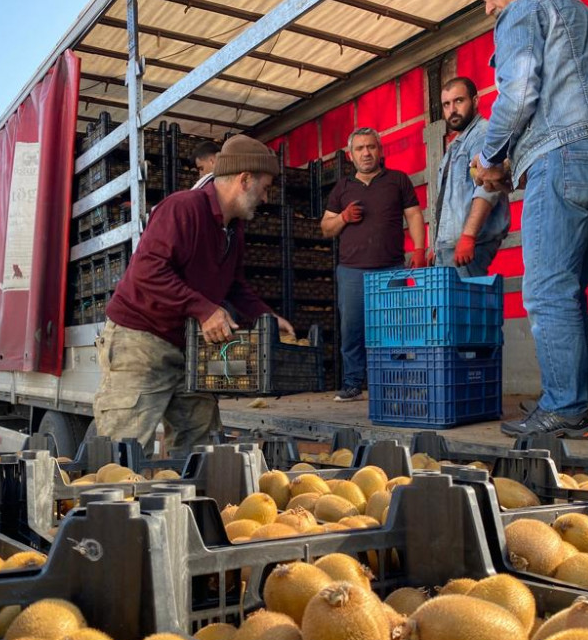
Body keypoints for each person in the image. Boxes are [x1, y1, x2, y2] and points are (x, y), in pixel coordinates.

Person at [472, 0, 588, 437]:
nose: (489, 7)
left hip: (560, 155)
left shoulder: (525, 8)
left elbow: (517, 96)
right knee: (567, 287)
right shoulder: (578, 11)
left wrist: (486, 155)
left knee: (544, 290)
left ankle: (565, 407)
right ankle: (566, 397)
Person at [94, 135, 295, 454]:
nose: (265, 198)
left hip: (189, 348)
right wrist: (204, 309)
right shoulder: (183, 207)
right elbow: (148, 271)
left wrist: (265, 316)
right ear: (244, 180)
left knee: (201, 446)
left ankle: (186, 502)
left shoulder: (233, 229)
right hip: (141, 341)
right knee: (123, 450)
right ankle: (115, 501)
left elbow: (233, 284)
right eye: (265, 187)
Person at [321, 127, 428, 402]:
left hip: (391, 267)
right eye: (360, 148)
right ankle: (353, 383)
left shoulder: (398, 180)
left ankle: (399, 378)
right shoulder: (342, 188)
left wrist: (418, 249)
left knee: (397, 327)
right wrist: (343, 217)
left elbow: (414, 215)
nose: (366, 153)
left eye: (371, 147)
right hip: (352, 270)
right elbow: (326, 228)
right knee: (352, 329)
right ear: (351, 155)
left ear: (380, 151)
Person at [432, 77, 510, 276]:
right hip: (451, 246)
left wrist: (468, 236)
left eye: (459, 101)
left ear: (475, 101)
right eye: (446, 104)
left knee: (466, 305)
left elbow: (486, 187)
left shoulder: (483, 134)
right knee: (452, 307)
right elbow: (446, 202)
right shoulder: (455, 145)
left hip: (469, 245)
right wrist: (437, 244)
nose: (452, 110)